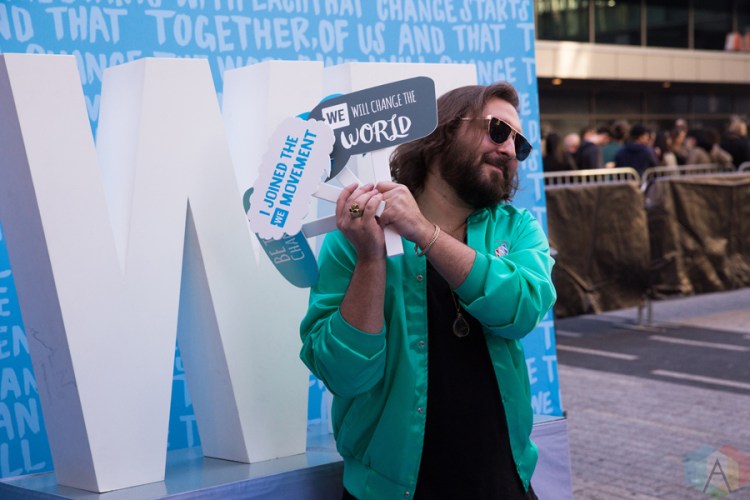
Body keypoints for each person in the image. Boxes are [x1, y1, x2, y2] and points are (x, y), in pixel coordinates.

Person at [299, 82, 556, 499]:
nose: (510, 150)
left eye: (520, 144)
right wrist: (370, 259)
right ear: (444, 131)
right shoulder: (356, 235)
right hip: (388, 490)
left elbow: (522, 311)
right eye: (498, 131)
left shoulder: (517, 228)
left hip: (502, 484)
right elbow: (342, 374)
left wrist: (423, 232)